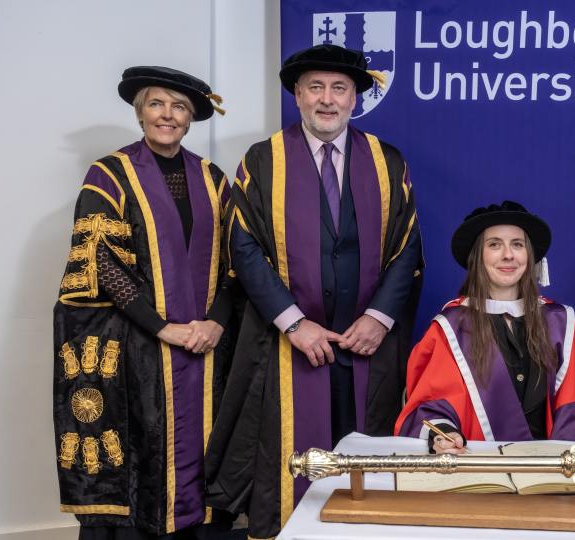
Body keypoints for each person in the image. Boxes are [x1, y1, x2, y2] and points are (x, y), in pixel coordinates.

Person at [203, 44, 423, 538]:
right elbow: (244, 248)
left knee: (367, 450)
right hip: (293, 345)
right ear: (298, 95)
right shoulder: (262, 161)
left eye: (339, 88)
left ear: (354, 99)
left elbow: (408, 246)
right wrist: (294, 323)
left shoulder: (386, 162)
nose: (328, 99)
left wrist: (379, 319)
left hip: (366, 344)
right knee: (293, 458)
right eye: (316, 88)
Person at [53, 66, 241, 538]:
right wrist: (162, 327)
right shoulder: (110, 174)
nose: (167, 115)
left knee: (205, 453)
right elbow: (101, 262)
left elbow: (241, 260)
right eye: (157, 104)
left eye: (179, 107)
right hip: (138, 349)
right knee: (144, 457)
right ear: (140, 113)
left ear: (191, 118)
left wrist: (215, 322)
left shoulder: (213, 178)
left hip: (206, 351)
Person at [395, 201, 575, 453]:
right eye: (494, 245)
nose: (508, 255)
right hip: (475, 473)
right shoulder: (452, 328)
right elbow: (432, 404)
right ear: (477, 256)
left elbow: (574, 410)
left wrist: (561, 469)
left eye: (517, 244)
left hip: (548, 475)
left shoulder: (559, 323)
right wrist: (444, 435)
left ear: (529, 255)